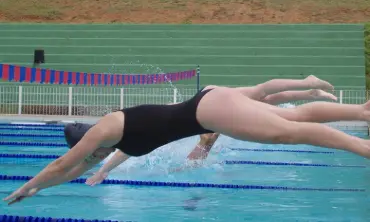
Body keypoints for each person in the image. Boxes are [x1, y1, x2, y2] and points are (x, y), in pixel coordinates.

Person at [5, 75, 370, 205]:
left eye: (86, 154)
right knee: (291, 117)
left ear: (84, 142)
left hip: (207, 111)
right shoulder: (115, 144)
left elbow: (62, 165)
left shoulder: (104, 129)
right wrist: (43, 190)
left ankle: (364, 148)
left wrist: (27, 186)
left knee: (287, 132)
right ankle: (361, 112)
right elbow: (72, 171)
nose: (90, 158)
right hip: (208, 104)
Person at [86, 86, 336, 186]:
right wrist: (104, 170)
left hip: (208, 132)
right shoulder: (209, 114)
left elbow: (272, 95)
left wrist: (309, 90)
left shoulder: (228, 108)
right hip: (200, 138)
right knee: (188, 164)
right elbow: (132, 147)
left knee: (287, 117)